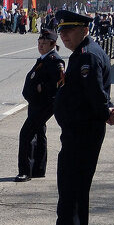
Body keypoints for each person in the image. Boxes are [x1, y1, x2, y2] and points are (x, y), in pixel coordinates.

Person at [29, 10, 114, 225]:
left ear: (84, 30)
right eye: (61, 32)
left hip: (81, 133)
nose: (64, 36)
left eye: (68, 31)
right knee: (79, 189)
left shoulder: (86, 57)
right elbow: (96, 91)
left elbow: (93, 92)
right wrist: (108, 107)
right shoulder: (86, 53)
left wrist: (106, 111)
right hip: (82, 131)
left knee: (70, 190)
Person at [16, 28, 66, 182]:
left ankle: (25, 171)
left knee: (26, 134)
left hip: (44, 104)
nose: (41, 45)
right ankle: (38, 169)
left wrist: (41, 87)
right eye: (39, 42)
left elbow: (59, 83)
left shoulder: (55, 61)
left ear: (53, 44)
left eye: (44, 43)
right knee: (39, 133)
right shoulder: (44, 58)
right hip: (36, 104)